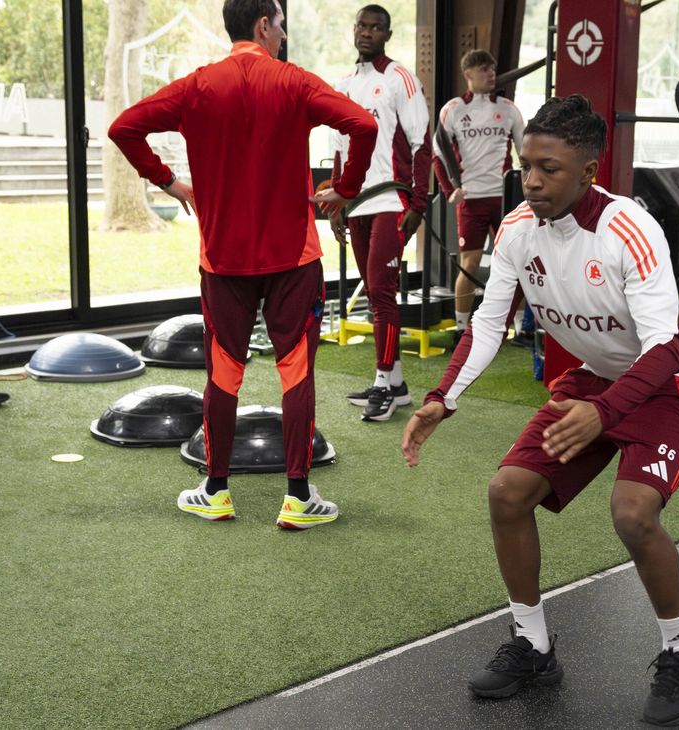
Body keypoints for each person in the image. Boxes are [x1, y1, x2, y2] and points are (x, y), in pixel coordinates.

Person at [402, 95, 679, 726]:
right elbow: (489, 322)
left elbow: (665, 347)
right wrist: (443, 396)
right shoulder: (518, 229)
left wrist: (606, 414)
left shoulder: (630, 228)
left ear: (589, 172)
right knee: (507, 493)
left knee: (632, 515)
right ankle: (533, 644)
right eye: (527, 166)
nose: (534, 180)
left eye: (550, 168)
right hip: (593, 381)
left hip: (661, 385)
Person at [109, 0, 377, 529]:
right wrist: (344, 190)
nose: (282, 36)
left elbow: (124, 128)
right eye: (281, 25)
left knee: (223, 374)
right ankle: (298, 498)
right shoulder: (294, 80)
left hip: (223, 261)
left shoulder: (197, 86)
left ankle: (216, 490)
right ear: (263, 25)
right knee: (295, 373)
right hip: (294, 259)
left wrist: (167, 181)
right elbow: (363, 124)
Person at [330, 4, 431, 422]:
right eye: (362, 25)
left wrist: (419, 204)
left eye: (376, 28)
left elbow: (423, 144)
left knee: (381, 290)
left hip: (392, 200)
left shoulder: (400, 79)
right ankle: (399, 386)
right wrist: (336, 201)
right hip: (355, 205)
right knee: (373, 292)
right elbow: (338, 149)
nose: (367, 32)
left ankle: (382, 382)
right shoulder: (344, 84)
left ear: (387, 34)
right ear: (354, 30)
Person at [431, 49, 527, 348]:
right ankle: (462, 328)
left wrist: (527, 193)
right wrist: (450, 191)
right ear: (468, 74)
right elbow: (438, 155)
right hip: (471, 199)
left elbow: (525, 155)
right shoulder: (454, 109)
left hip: (504, 198)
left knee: (517, 262)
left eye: (493, 69)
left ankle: (521, 328)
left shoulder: (510, 109)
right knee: (469, 264)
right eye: (484, 70)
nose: (491, 74)